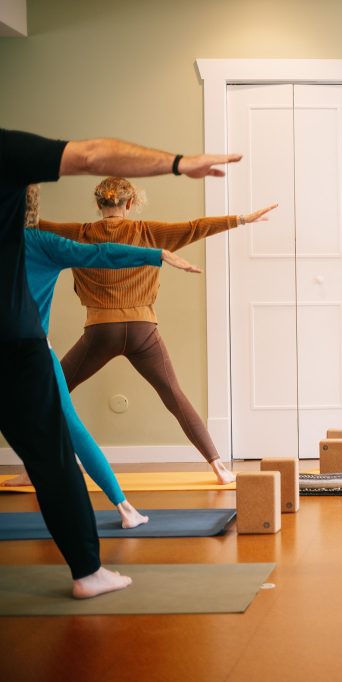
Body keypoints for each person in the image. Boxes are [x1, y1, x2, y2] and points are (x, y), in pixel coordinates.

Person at [0, 128, 240, 598]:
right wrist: (180, 169)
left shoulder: (59, 232)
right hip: (32, 343)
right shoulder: (42, 234)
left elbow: (99, 242)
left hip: (86, 333)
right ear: (127, 204)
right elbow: (97, 177)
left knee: (62, 418)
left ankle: (125, 498)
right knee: (62, 443)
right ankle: (97, 558)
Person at [36, 179, 277, 485]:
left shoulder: (77, 233)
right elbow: (196, 227)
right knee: (173, 395)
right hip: (143, 331)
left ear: (99, 205)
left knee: (50, 394)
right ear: (129, 204)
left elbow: (32, 223)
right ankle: (219, 467)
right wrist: (242, 219)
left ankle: (34, 470)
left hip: (99, 331)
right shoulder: (149, 232)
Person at [1, 185, 203, 529]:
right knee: (71, 428)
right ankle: (125, 509)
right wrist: (157, 255)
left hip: (21, 354)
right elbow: (101, 254)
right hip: (33, 353)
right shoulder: (43, 244)